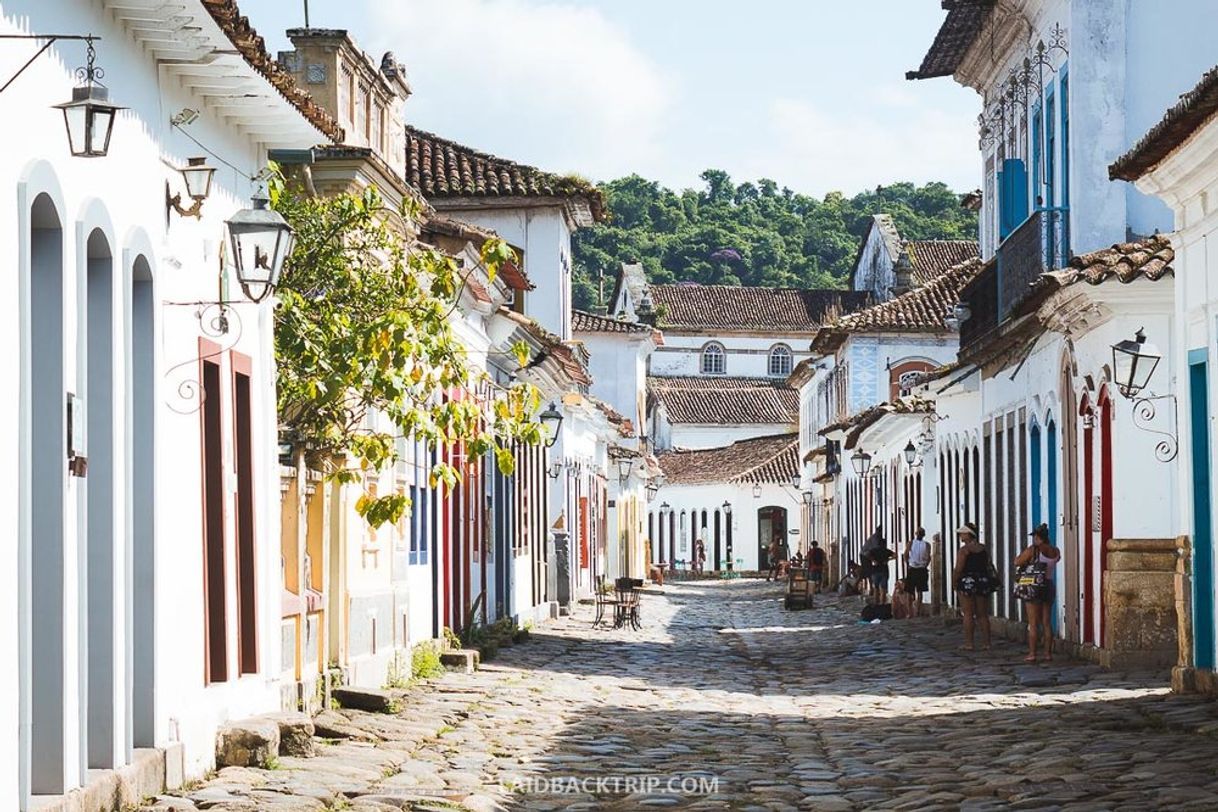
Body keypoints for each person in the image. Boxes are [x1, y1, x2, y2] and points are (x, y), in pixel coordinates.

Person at [1015, 522, 1061, 663]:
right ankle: (1047, 654)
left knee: (1033, 623)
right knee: (1047, 622)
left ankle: (1032, 653)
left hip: (1033, 586)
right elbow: (1056, 561)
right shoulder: (1055, 551)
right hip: (1048, 585)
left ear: (1037, 537)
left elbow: (1017, 561)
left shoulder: (1033, 550)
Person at [953, 522, 994, 651]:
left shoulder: (964, 551)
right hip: (982, 581)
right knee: (982, 614)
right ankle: (987, 643)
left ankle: (969, 643)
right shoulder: (983, 549)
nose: (960, 535)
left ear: (969, 534)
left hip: (967, 582)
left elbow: (958, 569)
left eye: (963, 533)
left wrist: (954, 582)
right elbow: (989, 564)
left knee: (968, 613)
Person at [904, 527, 932, 615]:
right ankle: (916, 611)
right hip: (920, 569)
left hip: (914, 568)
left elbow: (905, 554)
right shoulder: (926, 545)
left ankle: (911, 612)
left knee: (911, 591)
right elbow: (929, 557)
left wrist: (908, 563)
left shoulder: (911, 543)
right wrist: (925, 565)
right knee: (918, 591)